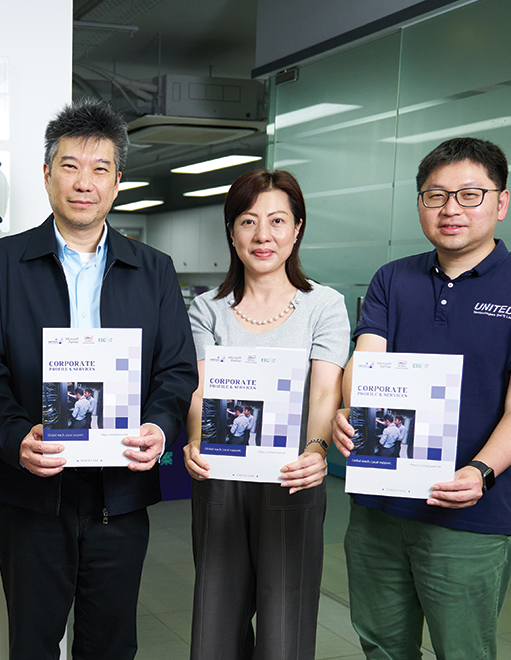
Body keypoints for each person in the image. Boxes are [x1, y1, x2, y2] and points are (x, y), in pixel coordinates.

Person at [0, 98, 198, 659]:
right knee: (32, 641)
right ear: (47, 174)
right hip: (31, 486)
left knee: (111, 643)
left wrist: (159, 428)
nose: (83, 183)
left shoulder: (154, 270)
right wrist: (15, 437)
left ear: (117, 182)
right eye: (69, 166)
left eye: (99, 169)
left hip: (119, 490)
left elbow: (176, 369)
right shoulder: (1, 263)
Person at [332, 137, 511, 659]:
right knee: (381, 646)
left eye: (469, 194)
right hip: (378, 508)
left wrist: (481, 471)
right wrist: (350, 411)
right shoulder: (392, 279)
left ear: (501, 203)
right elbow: (366, 365)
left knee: (462, 652)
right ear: (420, 203)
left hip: (466, 514)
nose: (450, 209)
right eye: (435, 195)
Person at [182, 169, 349, 660]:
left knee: (283, 637)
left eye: (277, 220)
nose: (263, 235)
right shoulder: (207, 309)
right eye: (248, 221)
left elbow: (325, 391)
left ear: (297, 229)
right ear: (232, 232)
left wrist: (316, 450)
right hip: (220, 480)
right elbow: (200, 391)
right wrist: (196, 441)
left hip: (292, 477)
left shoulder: (324, 306)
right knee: (215, 633)